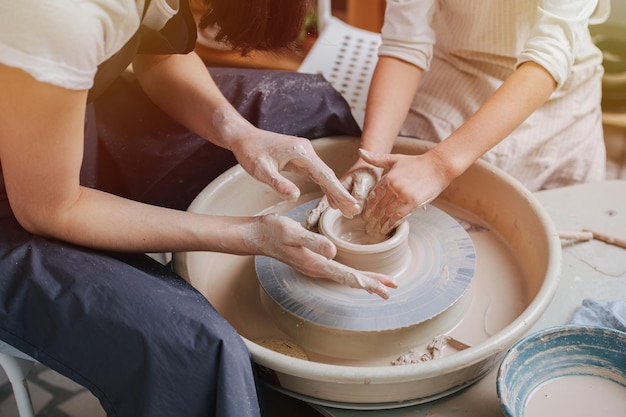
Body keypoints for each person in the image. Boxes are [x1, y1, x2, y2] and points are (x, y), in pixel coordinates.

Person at [0, 1, 397, 416]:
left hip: (59, 117)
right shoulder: (64, 15)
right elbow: (50, 208)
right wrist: (246, 235)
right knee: (195, 353)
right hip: (20, 205)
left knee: (311, 111)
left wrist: (239, 132)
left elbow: (159, 55)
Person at [317, 0, 609, 236]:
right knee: (412, 203)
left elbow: (549, 56)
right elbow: (405, 45)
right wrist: (370, 160)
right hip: (452, 72)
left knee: (560, 224)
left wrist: (440, 164)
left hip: (554, 95)